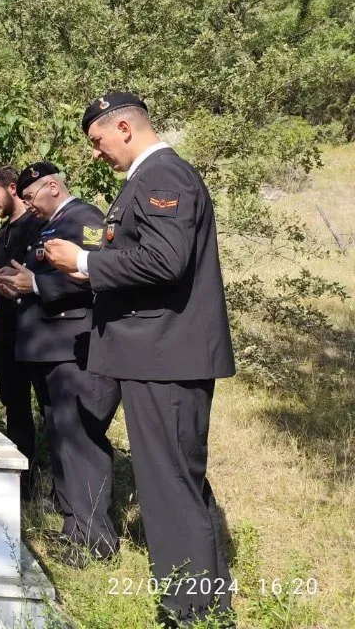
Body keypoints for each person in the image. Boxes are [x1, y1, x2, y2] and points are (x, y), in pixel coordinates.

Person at [45, 92, 236, 625]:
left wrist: (84, 258)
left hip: (166, 359)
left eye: (98, 141)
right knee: (175, 483)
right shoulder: (150, 179)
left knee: (169, 489)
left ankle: (189, 612)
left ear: (124, 127)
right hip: (158, 356)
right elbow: (147, 258)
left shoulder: (162, 176)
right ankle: (203, 606)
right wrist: (90, 268)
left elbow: (165, 261)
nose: (97, 154)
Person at [0, 162, 121, 565]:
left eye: (31, 198)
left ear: (52, 187)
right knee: (62, 440)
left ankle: (96, 540)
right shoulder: (49, 225)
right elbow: (43, 281)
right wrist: (19, 286)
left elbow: (96, 274)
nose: (29, 206)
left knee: (81, 443)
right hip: (48, 349)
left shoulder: (84, 218)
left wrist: (37, 284)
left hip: (73, 351)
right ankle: (73, 525)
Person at [0, 165, 46, 501]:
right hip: (6, 334)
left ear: (12, 188)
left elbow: (43, 279)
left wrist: (18, 285)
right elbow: (9, 277)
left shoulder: (40, 224)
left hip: (38, 334)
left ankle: (61, 484)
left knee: (49, 409)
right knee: (14, 407)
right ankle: (22, 482)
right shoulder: (4, 233)